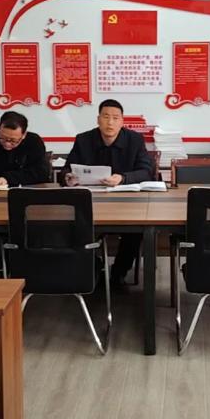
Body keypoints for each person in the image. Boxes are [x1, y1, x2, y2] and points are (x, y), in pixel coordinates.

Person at [62, 99, 155, 284]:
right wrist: (68, 177)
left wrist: (123, 178)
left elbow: (146, 171)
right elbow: (66, 169)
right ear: (98, 119)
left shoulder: (134, 140)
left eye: (115, 118)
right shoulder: (83, 139)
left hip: (126, 203)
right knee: (76, 226)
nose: (110, 122)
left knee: (135, 230)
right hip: (91, 201)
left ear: (122, 121)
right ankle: (93, 268)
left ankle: (118, 273)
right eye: (105, 117)